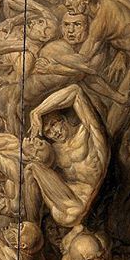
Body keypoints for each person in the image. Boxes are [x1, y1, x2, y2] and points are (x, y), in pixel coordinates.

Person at [62, 0, 130, 137]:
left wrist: (53, 62)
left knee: (112, 127)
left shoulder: (100, 21)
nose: (66, 3)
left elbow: (82, 60)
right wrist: (122, 53)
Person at [26, 83, 110, 227]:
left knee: (32, 168)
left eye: (54, 124)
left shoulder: (88, 132)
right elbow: (48, 178)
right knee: (30, 170)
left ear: (63, 120)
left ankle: (31, 226)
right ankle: (32, 226)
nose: (54, 132)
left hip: (87, 198)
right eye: (48, 132)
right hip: (66, 204)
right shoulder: (53, 151)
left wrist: (36, 112)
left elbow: (75, 91)